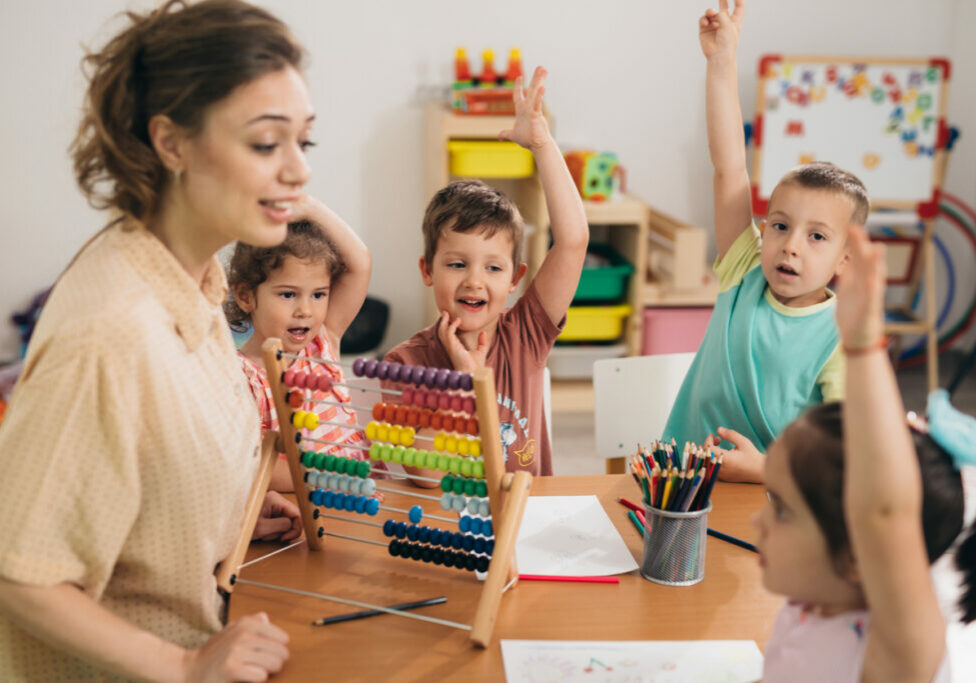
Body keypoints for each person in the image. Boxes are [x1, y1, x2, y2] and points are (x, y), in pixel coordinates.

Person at [0, 1, 317, 679]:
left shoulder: (197, 279)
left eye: (304, 141)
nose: (298, 171)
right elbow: (18, 572)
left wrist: (225, 509)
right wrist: (184, 665)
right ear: (171, 143)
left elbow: (154, 459)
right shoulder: (109, 332)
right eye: (267, 143)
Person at [756, 225, 976, 681]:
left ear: (862, 554)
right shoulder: (810, 603)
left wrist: (862, 345)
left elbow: (884, 513)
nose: (756, 523)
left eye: (781, 512)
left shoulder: (894, 656)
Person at [663, 0, 867, 483]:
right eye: (779, 225)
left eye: (816, 236)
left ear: (844, 258)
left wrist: (763, 469)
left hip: (774, 503)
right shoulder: (744, 268)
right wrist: (722, 62)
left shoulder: (841, 338)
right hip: (678, 480)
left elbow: (844, 456)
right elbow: (729, 166)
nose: (790, 246)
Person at [384, 67, 588, 477]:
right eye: (457, 264)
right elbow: (426, 476)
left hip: (526, 522)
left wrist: (542, 145)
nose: (474, 280)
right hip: (451, 534)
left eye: (493, 268)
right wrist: (468, 385)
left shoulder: (526, 334)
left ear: (515, 278)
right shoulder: (405, 363)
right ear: (428, 269)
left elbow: (573, 241)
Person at [226, 201, 379, 492]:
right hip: (302, 509)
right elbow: (253, 466)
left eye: (319, 295)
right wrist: (328, 481)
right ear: (246, 296)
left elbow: (361, 263)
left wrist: (308, 208)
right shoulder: (241, 378)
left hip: (362, 501)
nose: (305, 310)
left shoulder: (323, 342)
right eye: (288, 294)